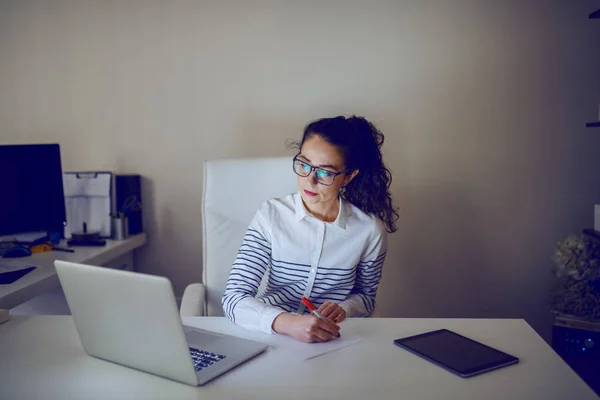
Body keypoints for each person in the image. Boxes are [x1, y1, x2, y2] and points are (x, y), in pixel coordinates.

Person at [222, 115, 398, 343]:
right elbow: (234, 298)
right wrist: (288, 323)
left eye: (325, 171)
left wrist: (345, 308)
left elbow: (366, 297)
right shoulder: (271, 215)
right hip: (272, 334)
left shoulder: (369, 230)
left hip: (334, 339)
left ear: (349, 176)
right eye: (304, 164)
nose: (309, 180)